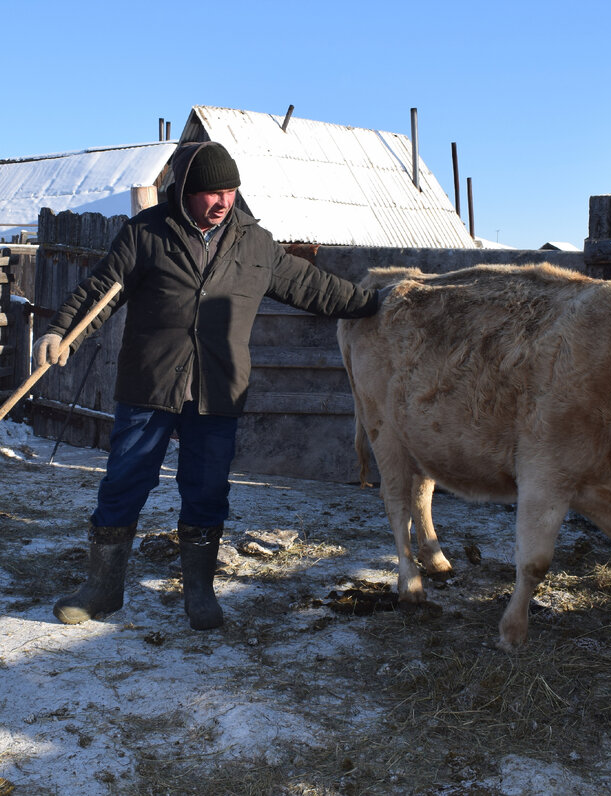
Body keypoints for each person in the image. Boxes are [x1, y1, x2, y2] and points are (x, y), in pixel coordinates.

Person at [33, 141, 381, 631]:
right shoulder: (146, 233)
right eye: (211, 193)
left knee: (207, 489)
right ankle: (103, 588)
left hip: (217, 389)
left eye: (230, 191)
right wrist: (60, 331)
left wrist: (376, 304)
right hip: (149, 384)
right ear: (185, 193)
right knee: (123, 483)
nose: (223, 201)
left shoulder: (254, 243)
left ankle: (199, 590)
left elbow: (315, 288)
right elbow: (99, 291)